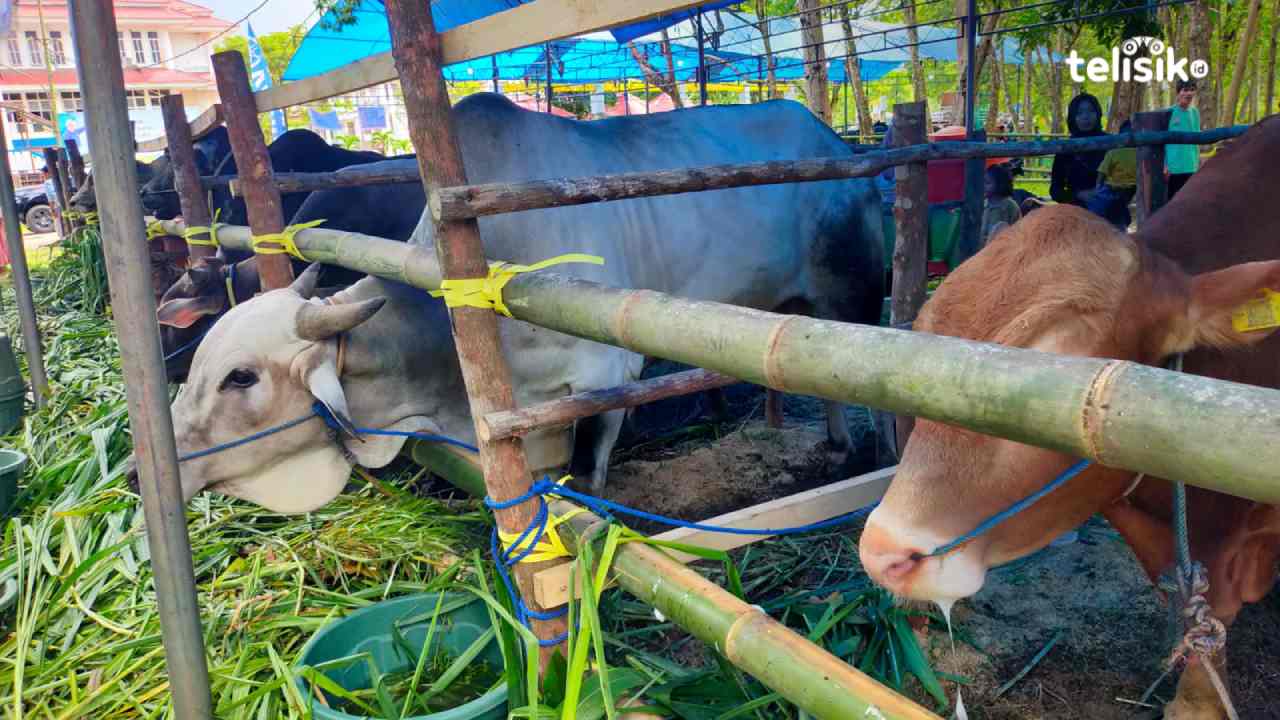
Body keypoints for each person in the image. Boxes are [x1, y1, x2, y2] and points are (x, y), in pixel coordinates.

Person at [1049, 93, 1108, 207]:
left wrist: (1107, 193)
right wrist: (1078, 195)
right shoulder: (1065, 149)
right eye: (1079, 113)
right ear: (1072, 117)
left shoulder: (1111, 143)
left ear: (1098, 113)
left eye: (1091, 111)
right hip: (1077, 211)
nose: (1086, 116)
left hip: (1109, 208)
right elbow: (1055, 190)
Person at [1087, 119, 1138, 229]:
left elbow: (1102, 172)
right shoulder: (1140, 153)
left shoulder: (1113, 152)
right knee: (1117, 208)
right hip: (1131, 190)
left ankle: (1092, 223)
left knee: (1096, 205)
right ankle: (1121, 224)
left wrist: (1098, 187)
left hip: (1113, 188)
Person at [1166, 79, 1200, 198]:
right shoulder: (1169, 113)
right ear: (1178, 93)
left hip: (1191, 165)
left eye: (1192, 90)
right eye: (1185, 90)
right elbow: (1163, 141)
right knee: (1171, 202)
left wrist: (1197, 162)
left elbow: (1197, 139)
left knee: (1189, 201)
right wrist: (1164, 165)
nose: (1189, 93)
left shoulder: (1195, 113)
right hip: (1173, 168)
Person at [980, 164, 1020, 245]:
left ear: (1000, 185)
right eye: (983, 182)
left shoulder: (1010, 206)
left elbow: (1018, 232)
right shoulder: (983, 204)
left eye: (987, 183)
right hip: (981, 252)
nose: (983, 186)